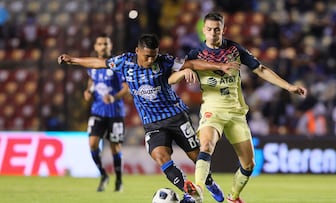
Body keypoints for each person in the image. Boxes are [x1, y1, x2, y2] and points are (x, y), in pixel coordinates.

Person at [58, 34, 240, 203]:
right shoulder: (124, 62)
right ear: (137, 51)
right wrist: (73, 60)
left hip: (177, 117)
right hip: (152, 123)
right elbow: (99, 63)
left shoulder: (165, 61)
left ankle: (209, 184)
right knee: (161, 156)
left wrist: (219, 66)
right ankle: (189, 192)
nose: (151, 60)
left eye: (154, 55)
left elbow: (192, 64)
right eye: (147, 56)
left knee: (197, 158)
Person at [170, 12, 307, 203]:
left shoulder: (234, 49)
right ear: (203, 31)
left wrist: (289, 86)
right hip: (212, 110)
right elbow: (170, 78)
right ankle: (198, 190)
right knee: (206, 145)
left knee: (249, 164)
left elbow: (261, 69)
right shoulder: (194, 55)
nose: (213, 33)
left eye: (217, 29)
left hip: (236, 113)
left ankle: (233, 197)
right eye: (209, 29)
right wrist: (185, 71)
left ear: (223, 30)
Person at [83, 33, 130, 192]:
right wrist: (88, 91)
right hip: (97, 111)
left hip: (115, 112)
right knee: (92, 143)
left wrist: (114, 97)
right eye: (100, 44)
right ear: (95, 47)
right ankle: (103, 174)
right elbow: (91, 82)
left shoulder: (117, 65)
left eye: (106, 44)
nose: (103, 46)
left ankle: (119, 180)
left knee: (115, 147)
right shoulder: (92, 66)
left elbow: (126, 88)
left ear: (110, 46)